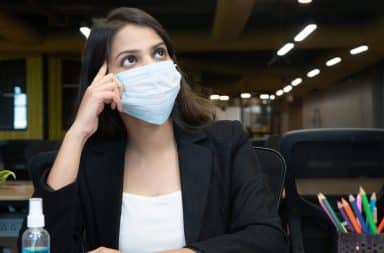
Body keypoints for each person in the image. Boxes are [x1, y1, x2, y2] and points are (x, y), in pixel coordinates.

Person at [19, 7, 288, 253]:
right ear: (101, 81)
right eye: (130, 60)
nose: (151, 67)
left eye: (159, 53)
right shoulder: (91, 159)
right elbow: (42, 243)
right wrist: (78, 131)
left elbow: (267, 238)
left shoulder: (226, 142)